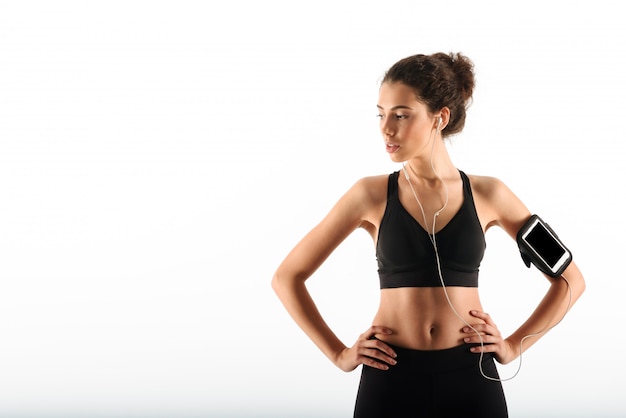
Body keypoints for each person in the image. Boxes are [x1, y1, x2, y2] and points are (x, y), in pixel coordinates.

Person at [271, 52, 586, 417]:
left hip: (472, 376)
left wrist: (513, 346)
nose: (386, 128)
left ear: (441, 117)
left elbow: (570, 281)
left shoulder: (490, 194)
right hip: (390, 375)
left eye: (401, 115)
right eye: (381, 114)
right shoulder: (369, 194)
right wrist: (340, 355)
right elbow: (287, 277)